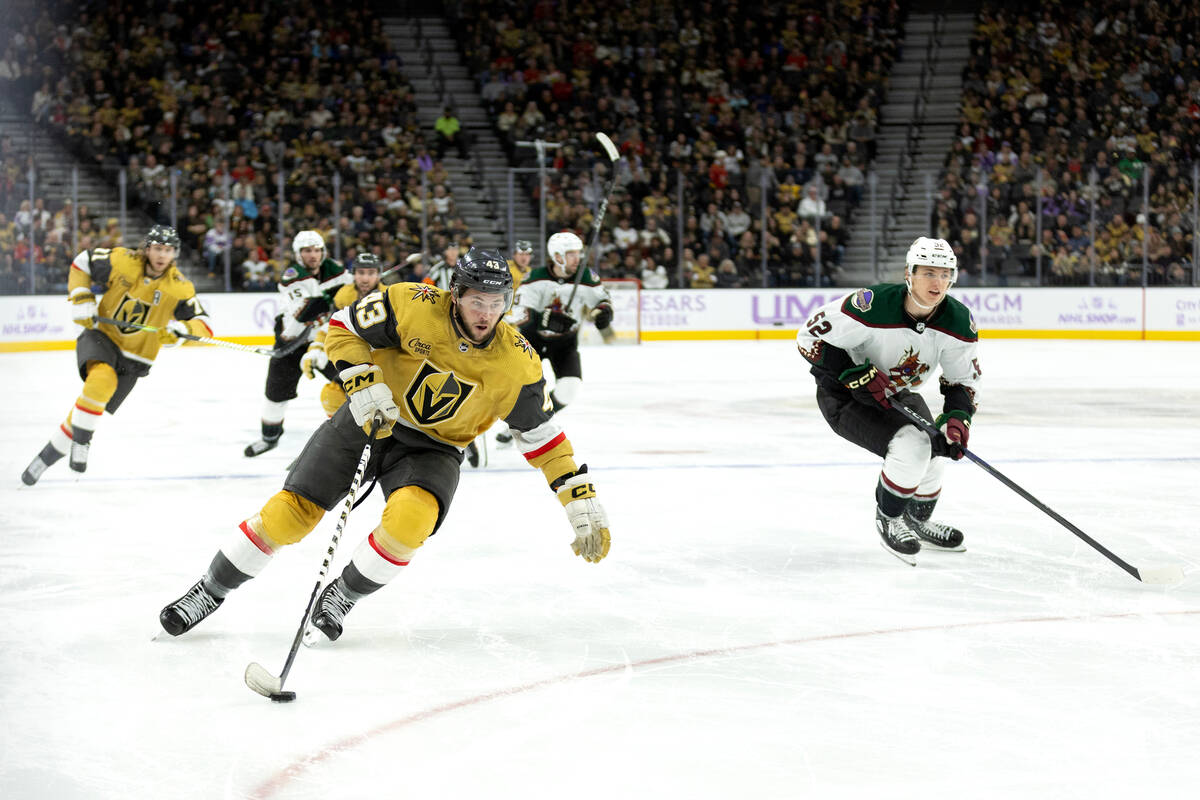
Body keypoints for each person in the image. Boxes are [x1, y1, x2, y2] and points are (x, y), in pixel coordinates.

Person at [158, 248, 612, 641]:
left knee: (412, 522)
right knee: (288, 516)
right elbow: (343, 327)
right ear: (455, 293)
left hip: (433, 450)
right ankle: (210, 590)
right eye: (477, 300)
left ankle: (344, 594)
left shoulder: (518, 364)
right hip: (369, 418)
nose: (486, 314)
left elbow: (544, 439)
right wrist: (362, 381)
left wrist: (578, 498)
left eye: (497, 303)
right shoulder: (410, 302)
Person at [795, 236, 981, 565]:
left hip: (896, 392)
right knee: (912, 445)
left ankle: (917, 521)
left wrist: (957, 418)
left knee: (936, 445)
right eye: (928, 273)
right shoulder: (870, 305)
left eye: (944, 274)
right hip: (844, 395)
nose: (937, 282)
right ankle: (890, 516)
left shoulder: (957, 321)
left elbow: (961, 380)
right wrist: (852, 372)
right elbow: (809, 337)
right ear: (908, 273)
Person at [21, 225, 211, 484]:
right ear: (147, 248)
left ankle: (43, 459)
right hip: (103, 337)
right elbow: (82, 262)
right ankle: (83, 442)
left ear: (174, 254)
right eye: (157, 248)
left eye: (168, 250)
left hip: (137, 358)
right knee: (102, 380)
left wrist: (182, 330)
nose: (162, 255)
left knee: (92, 403)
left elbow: (204, 324)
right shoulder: (123, 260)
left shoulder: (180, 287)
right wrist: (81, 297)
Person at [244, 230, 351, 457]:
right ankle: (269, 438)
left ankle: (352, 436)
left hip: (323, 341)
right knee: (276, 393)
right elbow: (304, 312)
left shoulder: (335, 270)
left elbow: (351, 292)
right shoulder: (291, 276)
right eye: (307, 251)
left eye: (316, 250)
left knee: (349, 383)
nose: (313, 255)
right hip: (291, 341)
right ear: (298, 254)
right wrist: (330, 298)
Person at [506, 231, 615, 415]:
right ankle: (517, 423)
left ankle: (539, 417)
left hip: (565, 343)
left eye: (578, 253)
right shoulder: (535, 277)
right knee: (521, 390)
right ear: (557, 256)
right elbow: (518, 313)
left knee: (568, 391)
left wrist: (604, 312)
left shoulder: (587, 277)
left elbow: (602, 300)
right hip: (532, 342)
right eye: (571, 254)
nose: (577, 259)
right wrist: (544, 320)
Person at [299, 252, 384, 419]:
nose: (365, 279)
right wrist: (316, 348)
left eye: (371, 273)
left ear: (379, 275)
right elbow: (332, 326)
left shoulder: (389, 296)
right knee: (332, 396)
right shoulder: (344, 295)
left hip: (384, 356)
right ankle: (345, 434)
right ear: (354, 274)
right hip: (355, 355)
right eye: (361, 273)